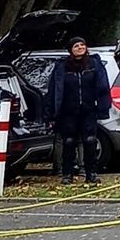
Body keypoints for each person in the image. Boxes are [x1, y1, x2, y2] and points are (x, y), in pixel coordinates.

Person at [45, 38, 109, 183]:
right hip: (68, 111)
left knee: (90, 140)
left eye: (82, 45)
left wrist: (103, 107)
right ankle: (67, 174)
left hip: (89, 110)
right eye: (76, 45)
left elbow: (103, 87)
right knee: (69, 141)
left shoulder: (94, 64)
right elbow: (54, 90)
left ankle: (91, 173)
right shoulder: (62, 67)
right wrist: (51, 113)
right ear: (71, 50)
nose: (80, 47)